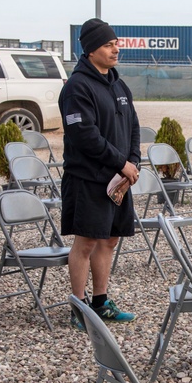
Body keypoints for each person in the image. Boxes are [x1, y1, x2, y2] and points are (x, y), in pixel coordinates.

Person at [59, 18, 141, 330]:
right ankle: (77, 307)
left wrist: (131, 162)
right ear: (91, 50)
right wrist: (122, 163)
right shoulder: (77, 87)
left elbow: (132, 126)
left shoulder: (119, 85)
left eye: (115, 42)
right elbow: (85, 136)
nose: (115, 48)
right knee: (87, 243)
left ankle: (100, 302)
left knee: (109, 241)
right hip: (89, 179)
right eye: (108, 44)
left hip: (119, 179)